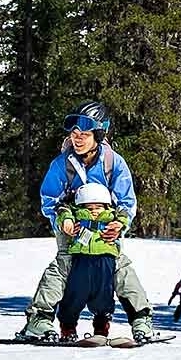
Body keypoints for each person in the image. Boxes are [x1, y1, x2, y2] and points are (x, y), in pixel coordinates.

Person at [15, 101, 158, 344]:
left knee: (120, 269)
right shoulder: (62, 164)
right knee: (61, 269)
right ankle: (38, 321)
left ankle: (141, 321)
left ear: (99, 135)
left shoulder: (114, 163)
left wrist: (119, 225)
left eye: (85, 134)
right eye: (74, 133)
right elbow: (49, 198)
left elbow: (126, 200)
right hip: (71, 228)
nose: (78, 138)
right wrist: (62, 221)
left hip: (106, 228)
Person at [54, 182, 121, 340]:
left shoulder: (112, 217)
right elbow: (63, 212)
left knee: (104, 293)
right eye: (89, 208)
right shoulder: (75, 215)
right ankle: (68, 326)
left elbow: (124, 216)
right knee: (74, 293)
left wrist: (120, 224)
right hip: (81, 259)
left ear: (106, 206)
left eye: (98, 207)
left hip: (105, 259)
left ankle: (102, 324)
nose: (94, 212)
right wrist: (67, 221)